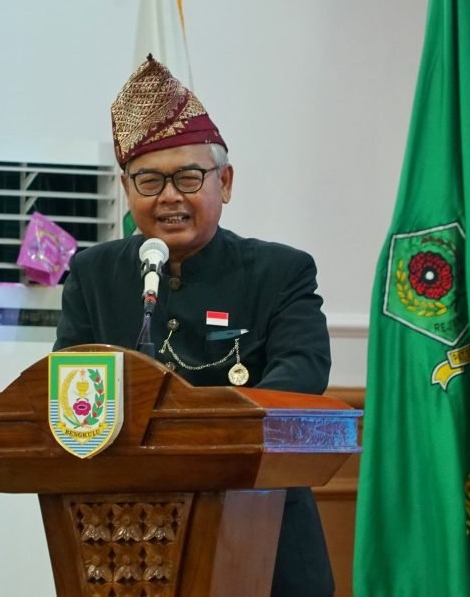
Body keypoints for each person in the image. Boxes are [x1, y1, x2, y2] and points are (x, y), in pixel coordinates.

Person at [54, 55, 334, 596]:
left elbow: (302, 375)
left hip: (263, 533)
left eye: (188, 177)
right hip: (125, 542)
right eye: (149, 180)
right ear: (127, 188)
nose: (169, 197)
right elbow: (67, 383)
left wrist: (205, 429)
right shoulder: (94, 274)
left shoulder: (281, 272)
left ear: (224, 182)